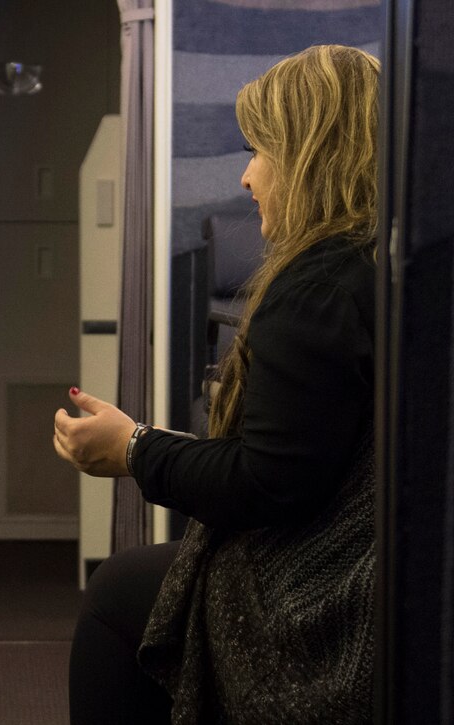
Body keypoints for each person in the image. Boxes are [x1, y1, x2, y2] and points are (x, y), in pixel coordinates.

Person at [54, 44, 379, 724]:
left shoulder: (319, 284)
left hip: (336, 604)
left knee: (117, 595)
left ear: (308, 154)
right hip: (375, 570)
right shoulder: (382, 264)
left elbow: (268, 482)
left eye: (259, 151)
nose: (246, 178)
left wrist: (134, 449)